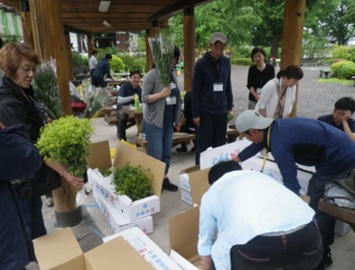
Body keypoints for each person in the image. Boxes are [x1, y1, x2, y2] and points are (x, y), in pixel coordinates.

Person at [233, 110, 355, 269]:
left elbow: (291, 182)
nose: (248, 139)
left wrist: (290, 214)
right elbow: (257, 144)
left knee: (314, 204)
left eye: (246, 136)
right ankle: (324, 248)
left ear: (253, 131)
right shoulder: (273, 128)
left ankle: (318, 254)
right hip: (340, 147)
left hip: (340, 155)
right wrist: (236, 160)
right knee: (322, 202)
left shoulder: (279, 144)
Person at [0, 42, 84, 239]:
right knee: (30, 229)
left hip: (29, 175)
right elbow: (32, 145)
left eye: (33, 69)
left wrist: (50, 123)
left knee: (35, 222)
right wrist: (64, 172)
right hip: (20, 180)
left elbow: (36, 125)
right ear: (11, 69)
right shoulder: (7, 103)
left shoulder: (22, 91)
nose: (31, 74)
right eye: (25, 69)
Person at [198, 160, 322, 270]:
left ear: (214, 182)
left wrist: (209, 268)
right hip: (307, 235)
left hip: (256, 249)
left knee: (219, 253)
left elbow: (206, 241)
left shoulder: (213, 192)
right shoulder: (261, 177)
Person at [0, 123, 42, 270]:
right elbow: (28, 158)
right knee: (29, 218)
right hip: (5, 253)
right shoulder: (8, 104)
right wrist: (9, 131)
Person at [142, 46, 181, 192]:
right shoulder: (152, 75)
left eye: (174, 58)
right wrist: (161, 94)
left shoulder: (172, 74)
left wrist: (178, 117)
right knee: (156, 154)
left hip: (169, 122)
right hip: (154, 122)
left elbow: (176, 97)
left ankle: (163, 178)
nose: (172, 61)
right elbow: (144, 98)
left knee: (166, 154)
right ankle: (153, 182)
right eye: (170, 57)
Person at [192, 32, 234, 165]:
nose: (218, 51)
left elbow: (228, 84)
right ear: (210, 46)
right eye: (216, 47)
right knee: (204, 144)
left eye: (221, 48)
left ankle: (217, 171)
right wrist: (196, 113)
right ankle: (199, 171)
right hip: (206, 111)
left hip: (221, 110)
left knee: (220, 144)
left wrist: (229, 105)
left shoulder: (226, 62)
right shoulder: (201, 64)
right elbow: (196, 90)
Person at [116, 70, 142, 141]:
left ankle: (141, 138)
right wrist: (131, 97)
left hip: (133, 110)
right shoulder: (124, 87)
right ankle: (122, 138)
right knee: (123, 115)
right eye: (134, 77)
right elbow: (119, 100)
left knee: (143, 117)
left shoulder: (139, 89)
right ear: (130, 78)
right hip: (121, 109)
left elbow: (142, 102)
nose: (136, 79)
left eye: (138, 78)